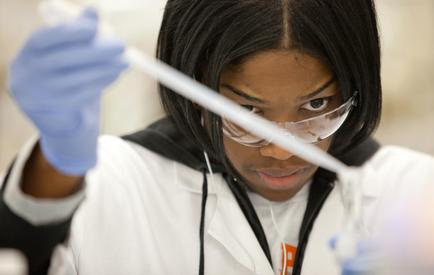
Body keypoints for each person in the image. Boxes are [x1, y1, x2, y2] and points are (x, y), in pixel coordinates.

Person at [1, 1, 433, 275]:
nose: (281, 150)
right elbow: (21, 252)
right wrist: (57, 161)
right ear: (195, 88)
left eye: (317, 107)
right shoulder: (114, 183)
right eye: (245, 112)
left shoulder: (413, 192)